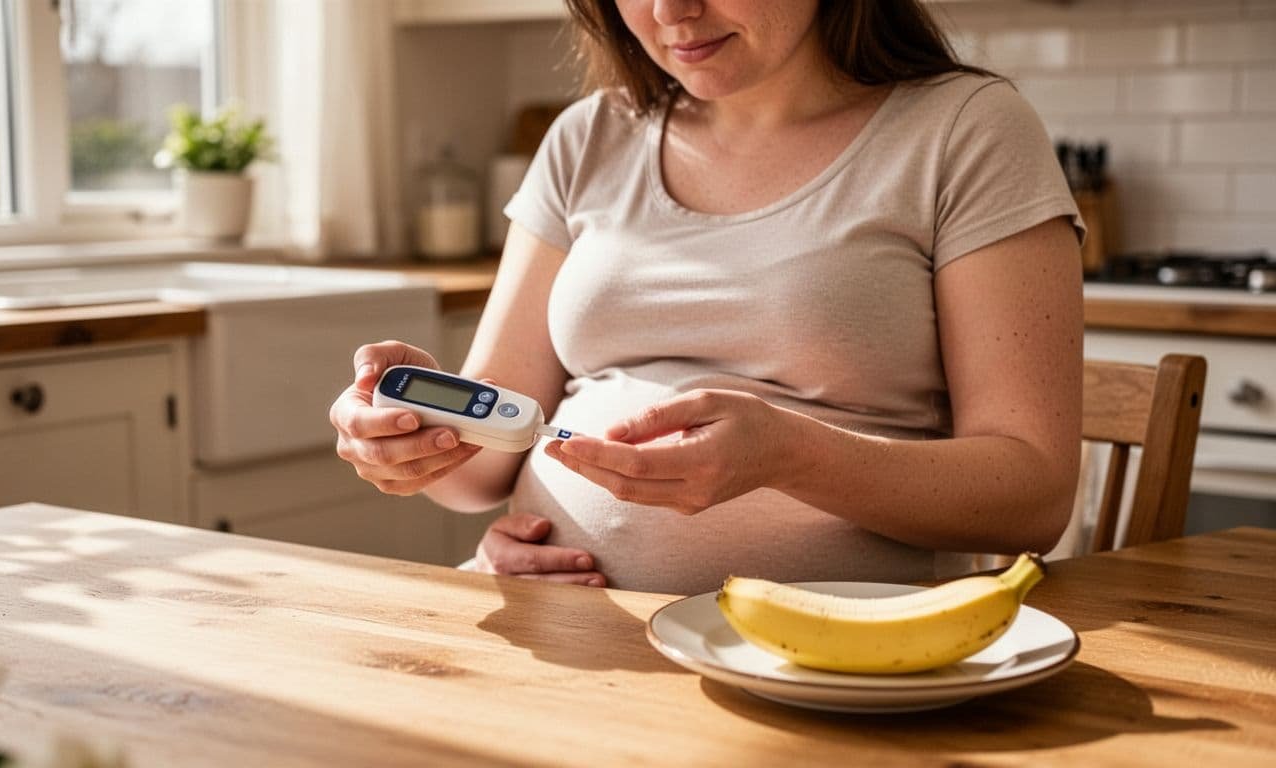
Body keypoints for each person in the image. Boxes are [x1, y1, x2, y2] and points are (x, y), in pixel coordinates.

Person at [330, 0, 1085, 596]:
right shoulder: (588, 137)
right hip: (566, 639)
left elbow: (1034, 497)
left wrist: (789, 456)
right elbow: (480, 468)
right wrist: (411, 436)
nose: (669, 10)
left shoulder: (964, 131)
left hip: (832, 666)